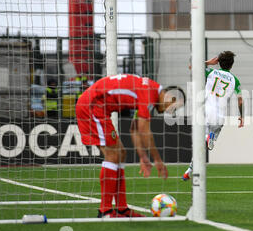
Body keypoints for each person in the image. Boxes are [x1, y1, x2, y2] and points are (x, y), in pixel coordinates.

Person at [75, 74, 182, 218]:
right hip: (92, 106)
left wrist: (143, 157)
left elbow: (134, 128)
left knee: (121, 153)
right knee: (112, 155)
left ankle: (121, 209)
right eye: (173, 108)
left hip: (97, 106)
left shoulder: (148, 90)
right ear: (170, 97)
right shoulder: (149, 94)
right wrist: (157, 160)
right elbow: (144, 130)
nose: (170, 112)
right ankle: (105, 211)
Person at [182, 51, 244, 181]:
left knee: (200, 144)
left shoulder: (211, 72)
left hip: (205, 112)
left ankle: (189, 170)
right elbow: (240, 100)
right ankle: (210, 138)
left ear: (219, 63)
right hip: (219, 117)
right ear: (232, 65)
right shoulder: (235, 80)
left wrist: (208, 63)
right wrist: (241, 116)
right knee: (206, 145)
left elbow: (191, 66)